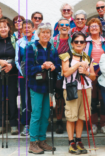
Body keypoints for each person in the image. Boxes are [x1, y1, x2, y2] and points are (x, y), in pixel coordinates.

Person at [27, 23, 60, 154]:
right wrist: (42, 66)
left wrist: (52, 65)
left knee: (46, 114)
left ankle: (42, 140)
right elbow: (28, 69)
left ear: (50, 34)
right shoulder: (32, 48)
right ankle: (33, 143)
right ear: (38, 34)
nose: (46, 35)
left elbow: (58, 66)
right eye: (43, 32)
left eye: (48, 32)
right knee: (36, 114)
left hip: (49, 86)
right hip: (36, 86)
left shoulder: (53, 49)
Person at [61, 32, 96, 154]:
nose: (79, 44)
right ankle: (71, 142)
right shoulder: (66, 56)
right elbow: (65, 73)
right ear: (72, 43)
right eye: (77, 42)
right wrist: (78, 65)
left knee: (82, 116)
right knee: (71, 116)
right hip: (71, 88)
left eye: (82, 42)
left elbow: (93, 77)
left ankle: (79, 140)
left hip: (85, 88)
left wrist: (86, 72)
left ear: (85, 44)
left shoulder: (87, 57)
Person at [84, 18, 105, 135]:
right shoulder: (85, 41)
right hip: (90, 74)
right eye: (91, 26)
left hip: (104, 74)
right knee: (91, 100)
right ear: (88, 29)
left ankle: (103, 123)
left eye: (96, 26)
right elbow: (83, 56)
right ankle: (92, 124)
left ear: (100, 28)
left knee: (103, 100)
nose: (94, 28)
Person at [51, 18, 73, 134]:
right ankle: (59, 122)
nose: (64, 27)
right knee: (59, 98)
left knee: (71, 96)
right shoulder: (53, 40)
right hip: (57, 72)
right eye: (61, 25)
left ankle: (71, 121)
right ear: (58, 28)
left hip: (71, 72)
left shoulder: (74, 40)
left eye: (67, 25)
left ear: (69, 27)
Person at [15, 20, 35, 136]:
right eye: (24, 28)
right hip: (23, 75)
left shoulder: (36, 41)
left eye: (29, 27)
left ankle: (35, 124)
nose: (27, 29)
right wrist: (24, 73)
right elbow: (17, 60)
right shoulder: (19, 42)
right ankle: (26, 124)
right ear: (21, 29)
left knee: (35, 100)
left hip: (35, 74)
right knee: (25, 99)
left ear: (33, 29)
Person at [0, 19, 18, 135]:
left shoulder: (14, 41)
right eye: (0, 27)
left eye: (5, 27)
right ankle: (0, 124)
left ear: (9, 28)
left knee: (12, 99)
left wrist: (12, 65)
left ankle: (13, 124)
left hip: (12, 73)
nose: (3, 29)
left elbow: (19, 57)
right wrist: (0, 61)